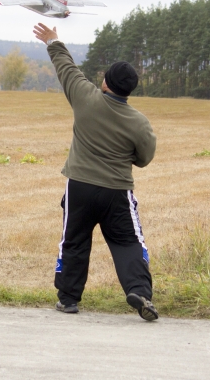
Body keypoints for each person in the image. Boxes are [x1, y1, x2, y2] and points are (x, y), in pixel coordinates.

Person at [33, 23, 158, 321]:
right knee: (128, 241)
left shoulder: (85, 98)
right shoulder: (139, 122)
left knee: (74, 240)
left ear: (105, 83)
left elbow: (66, 68)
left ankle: (68, 299)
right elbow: (144, 158)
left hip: (79, 187)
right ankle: (140, 291)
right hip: (117, 191)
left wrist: (53, 41)